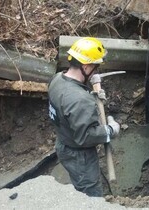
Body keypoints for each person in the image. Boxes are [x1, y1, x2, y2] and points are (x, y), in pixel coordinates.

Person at [48, 37, 120, 197]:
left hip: (63, 143)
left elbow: (67, 105)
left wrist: (92, 96)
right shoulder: (80, 100)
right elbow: (86, 136)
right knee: (90, 196)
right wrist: (110, 130)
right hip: (79, 156)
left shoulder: (57, 79)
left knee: (80, 187)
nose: (97, 71)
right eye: (96, 67)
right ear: (86, 67)